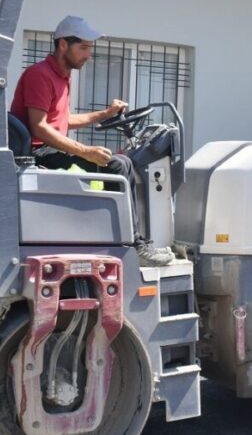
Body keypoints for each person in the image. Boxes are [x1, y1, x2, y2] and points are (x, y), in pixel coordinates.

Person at [10, 15, 174, 267]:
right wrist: (85, 151)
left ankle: (118, 236)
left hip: (47, 148)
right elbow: (39, 127)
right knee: (119, 165)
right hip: (37, 154)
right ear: (63, 44)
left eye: (90, 48)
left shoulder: (62, 75)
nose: (88, 55)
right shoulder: (40, 75)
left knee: (117, 161)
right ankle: (132, 244)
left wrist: (105, 114)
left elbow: (61, 120)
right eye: (83, 48)